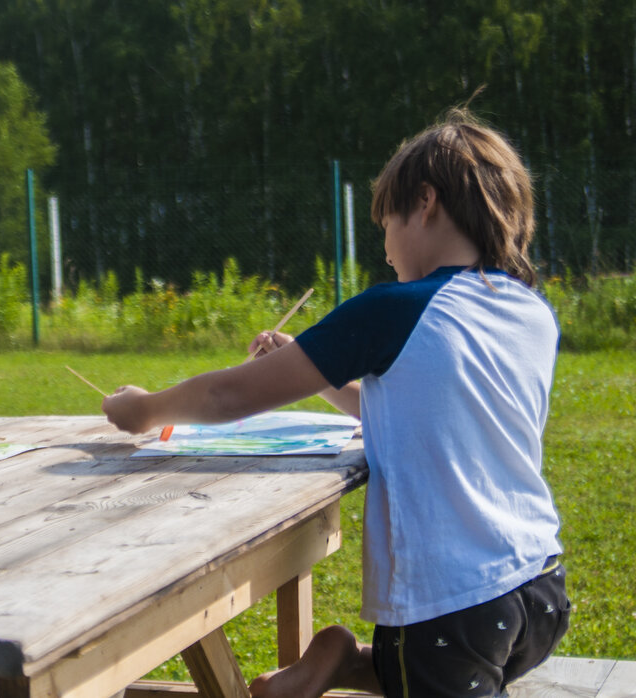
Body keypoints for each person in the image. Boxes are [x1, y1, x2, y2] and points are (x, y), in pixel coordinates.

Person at [102, 108, 569, 698]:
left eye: (385, 227)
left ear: (424, 204)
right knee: (433, 675)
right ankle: (347, 662)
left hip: (454, 606)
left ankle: (347, 659)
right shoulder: (529, 311)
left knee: (434, 670)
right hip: (541, 588)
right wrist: (321, 371)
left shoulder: (394, 310)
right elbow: (419, 406)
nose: (387, 251)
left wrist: (144, 410)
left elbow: (230, 392)